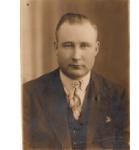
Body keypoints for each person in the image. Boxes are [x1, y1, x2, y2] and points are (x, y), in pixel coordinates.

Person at [23, 12, 129, 150]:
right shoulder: (29, 95)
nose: (76, 56)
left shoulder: (119, 97)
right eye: (68, 45)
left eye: (84, 46)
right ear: (56, 47)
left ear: (96, 49)